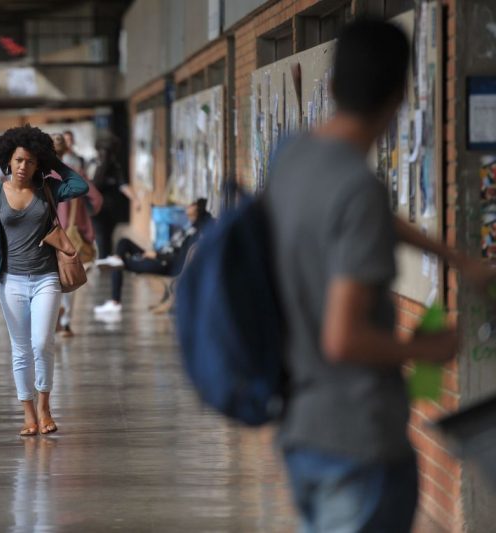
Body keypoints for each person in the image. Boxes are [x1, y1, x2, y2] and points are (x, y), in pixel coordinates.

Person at [265, 19, 494, 531]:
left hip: (304, 429)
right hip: (357, 441)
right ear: (399, 93)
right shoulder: (356, 189)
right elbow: (344, 339)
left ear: (335, 84)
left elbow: (361, 216)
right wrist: (426, 352)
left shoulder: (294, 159)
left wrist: (453, 256)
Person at [0, 124, 88, 436]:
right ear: (7, 161)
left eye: (31, 161)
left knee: (42, 343)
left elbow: (79, 186)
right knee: (21, 349)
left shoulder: (47, 189)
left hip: (46, 278)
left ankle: (44, 405)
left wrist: (53, 162)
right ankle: (27, 411)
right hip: (10, 282)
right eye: (19, 160)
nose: (24, 166)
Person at [93, 199, 212, 316]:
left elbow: (180, 258)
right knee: (124, 242)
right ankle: (117, 258)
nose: (187, 207)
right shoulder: (191, 227)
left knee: (118, 265)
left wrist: (157, 255)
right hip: (160, 257)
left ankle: (115, 301)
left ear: (197, 209)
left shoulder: (196, 233)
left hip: (165, 264)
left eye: (192, 205)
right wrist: (154, 253)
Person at [51, 133, 103, 337]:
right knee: (68, 277)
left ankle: (53, 315)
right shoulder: (76, 173)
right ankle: (65, 322)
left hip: (48, 234)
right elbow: (97, 199)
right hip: (72, 234)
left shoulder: (43, 175)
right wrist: (85, 217)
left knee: (51, 278)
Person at [90, 135, 137, 258]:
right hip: (97, 209)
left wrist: (135, 199)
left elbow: (123, 185)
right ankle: (103, 259)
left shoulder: (115, 167)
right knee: (101, 235)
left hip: (110, 208)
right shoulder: (92, 164)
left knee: (108, 235)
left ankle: (105, 259)